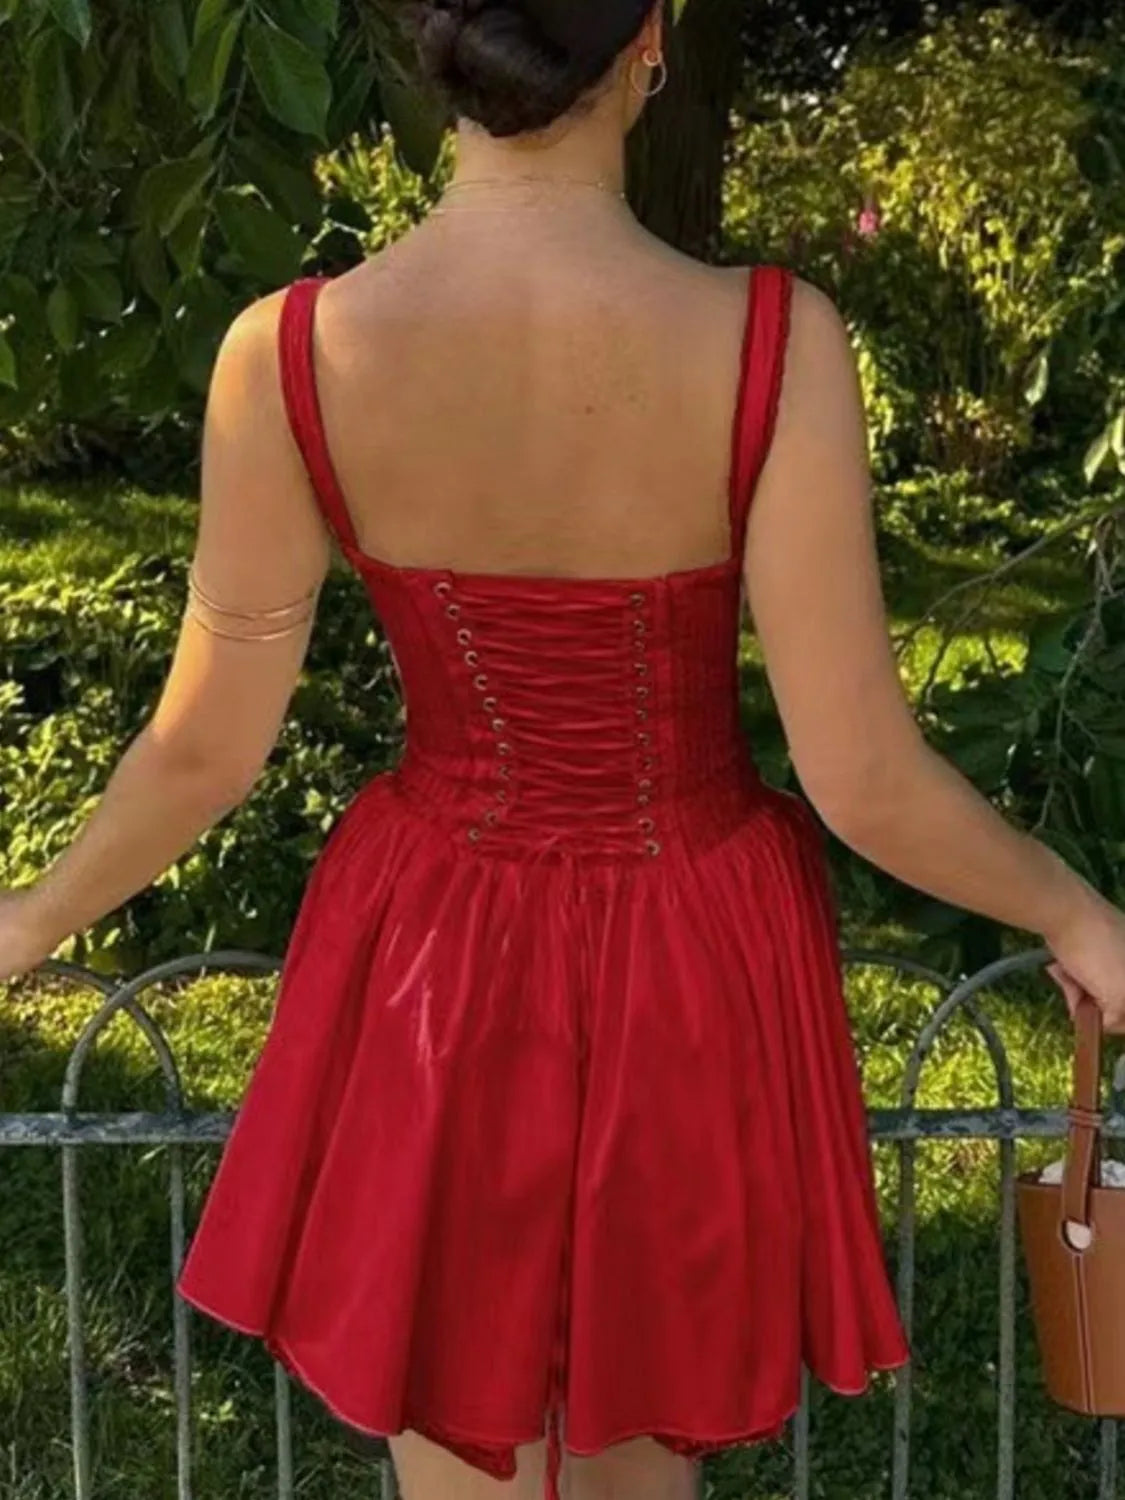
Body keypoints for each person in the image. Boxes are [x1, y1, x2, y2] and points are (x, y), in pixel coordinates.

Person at [3, 1, 1125, 1496]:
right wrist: (1068, 908)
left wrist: (26, 922)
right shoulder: (770, 341)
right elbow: (859, 775)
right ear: (649, 39)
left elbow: (204, 751)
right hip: (691, 941)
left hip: (431, 943)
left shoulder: (289, 354)